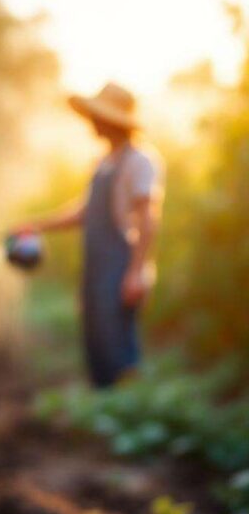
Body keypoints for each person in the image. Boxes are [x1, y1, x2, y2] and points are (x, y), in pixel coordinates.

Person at [13, 83, 164, 388]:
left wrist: (136, 272)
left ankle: (128, 404)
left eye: (97, 117)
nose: (92, 122)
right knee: (97, 343)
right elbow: (85, 212)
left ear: (112, 121)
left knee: (119, 345)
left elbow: (148, 217)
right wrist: (37, 225)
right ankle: (106, 406)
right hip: (96, 267)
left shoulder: (139, 161)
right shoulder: (103, 163)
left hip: (120, 265)